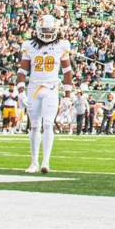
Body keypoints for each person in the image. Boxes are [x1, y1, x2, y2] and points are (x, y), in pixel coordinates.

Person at [21, 13, 73, 174]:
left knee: (48, 124)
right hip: (34, 88)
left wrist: (67, 95)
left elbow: (67, 71)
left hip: (51, 88)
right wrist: (20, 90)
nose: (48, 33)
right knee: (35, 125)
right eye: (45, 29)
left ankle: (45, 162)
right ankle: (34, 162)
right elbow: (22, 70)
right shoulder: (29, 45)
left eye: (51, 30)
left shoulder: (62, 45)